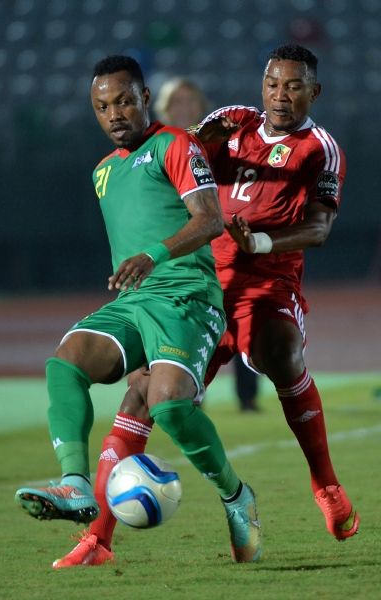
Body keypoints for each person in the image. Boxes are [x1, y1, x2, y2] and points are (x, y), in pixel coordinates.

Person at [51, 44, 360, 569]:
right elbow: (186, 157)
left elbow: (320, 227)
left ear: (315, 91)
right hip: (202, 279)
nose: (280, 96)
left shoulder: (320, 149)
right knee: (143, 397)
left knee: (281, 352)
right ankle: (98, 538)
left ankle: (326, 485)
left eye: (293, 86)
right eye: (272, 84)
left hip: (266, 281)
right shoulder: (233, 121)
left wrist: (259, 242)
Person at [14, 55, 262, 566]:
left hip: (187, 298)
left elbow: (210, 220)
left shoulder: (175, 144)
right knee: (65, 361)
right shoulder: (102, 172)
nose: (115, 114)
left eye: (124, 101)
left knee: (168, 406)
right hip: (133, 303)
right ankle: (74, 483)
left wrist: (153, 255)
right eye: (103, 106)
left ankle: (237, 496)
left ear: (145, 98)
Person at [154, 76, 261, 412]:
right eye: (177, 102)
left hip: (223, 245)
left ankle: (247, 397)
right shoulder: (156, 147)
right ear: (164, 109)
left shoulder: (218, 144)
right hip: (179, 251)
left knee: (240, 317)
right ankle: (189, 396)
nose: (185, 107)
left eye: (191, 101)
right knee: (188, 325)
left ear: (202, 107)